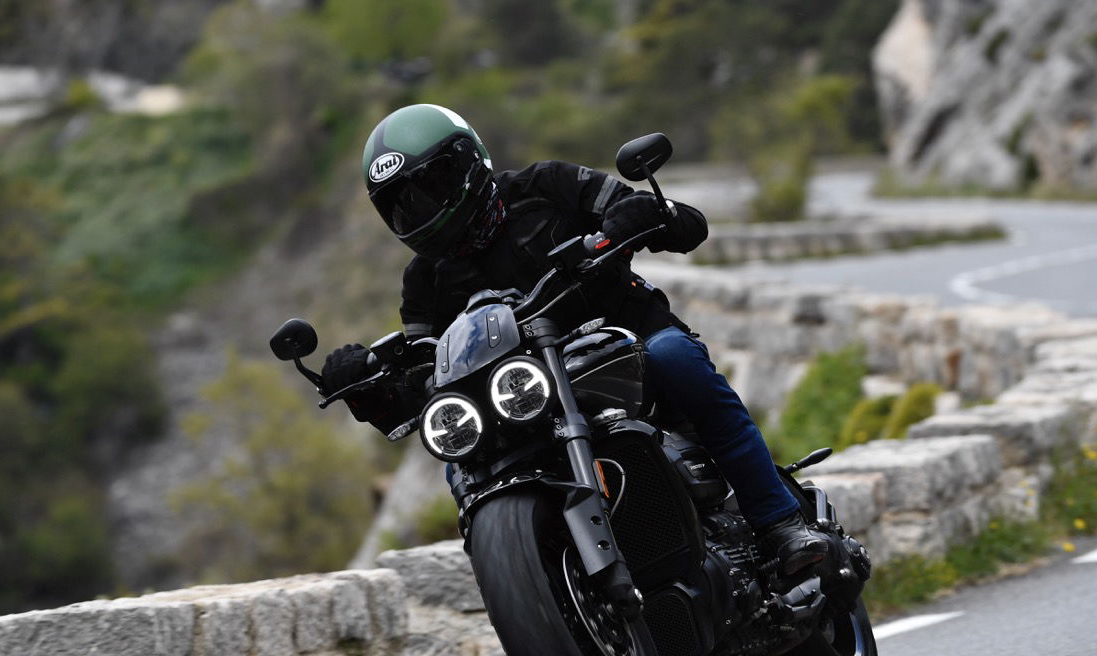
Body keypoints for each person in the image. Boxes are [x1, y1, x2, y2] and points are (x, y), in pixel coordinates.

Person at [322, 104, 827, 583]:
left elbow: (681, 223)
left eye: (431, 186)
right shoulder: (424, 281)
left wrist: (642, 214)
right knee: (461, 457)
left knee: (675, 358)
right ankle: (537, 593)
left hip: (625, 342)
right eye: (402, 204)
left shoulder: (547, 186)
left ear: (468, 163)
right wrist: (367, 385)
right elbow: (425, 375)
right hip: (522, 399)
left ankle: (779, 522)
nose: (422, 209)